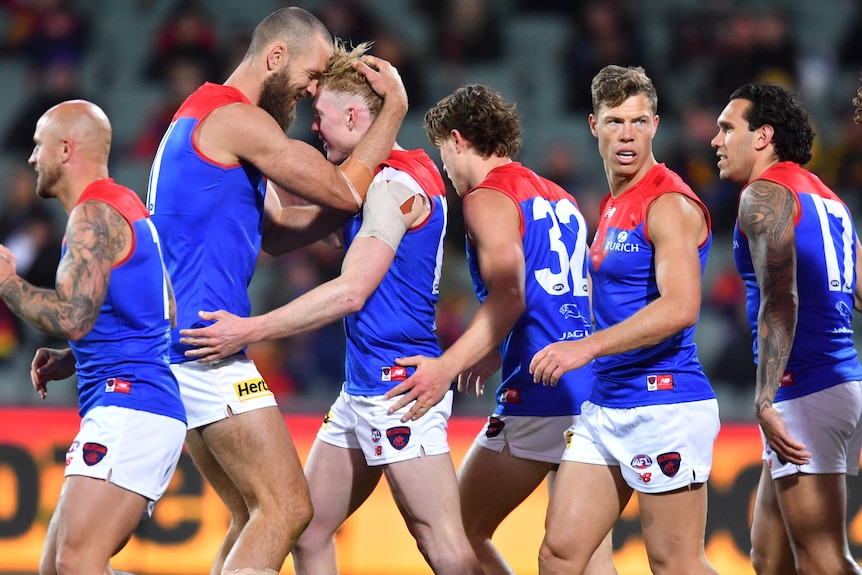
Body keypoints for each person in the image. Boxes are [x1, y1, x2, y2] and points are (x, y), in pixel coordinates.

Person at [177, 40, 482, 575]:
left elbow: (350, 291)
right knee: (309, 527)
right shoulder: (373, 180)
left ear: (354, 114)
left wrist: (250, 327)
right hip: (360, 388)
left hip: (398, 386)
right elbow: (287, 230)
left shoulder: (391, 186)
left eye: (321, 116)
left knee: (443, 544)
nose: (313, 128)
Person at [144, 7, 408, 575]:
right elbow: (341, 189)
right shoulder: (237, 120)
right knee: (290, 509)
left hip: (182, 342)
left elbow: (278, 234)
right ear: (276, 57)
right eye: (312, 76)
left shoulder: (202, 118)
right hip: (206, 346)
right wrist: (394, 114)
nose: (313, 91)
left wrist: (341, 216)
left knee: (251, 513)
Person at [382, 84, 616, 574]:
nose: (445, 168)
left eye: (444, 154)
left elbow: (512, 295)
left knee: (457, 529)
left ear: (457, 140)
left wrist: (447, 366)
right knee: (588, 556)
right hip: (591, 381)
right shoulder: (560, 196)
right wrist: (492, 347)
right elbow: (569, 294)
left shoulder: (486, 198)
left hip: (540, 386)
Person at [529, 65, 720, 575]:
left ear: (656, 124)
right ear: (594, 126)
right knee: (560, 553)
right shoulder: (616, 203)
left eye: (638, 121)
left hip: (664, 401)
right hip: (608, 402)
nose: (628, 134)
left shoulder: (667, 202)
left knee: (674, 562)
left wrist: (585, 348)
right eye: (615, 121)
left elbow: (680, 307)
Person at [0, 100, 186, 574]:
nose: (30, 158)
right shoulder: (122, 206)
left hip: (131, 405)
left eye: (38, 146)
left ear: (65, 149)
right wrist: (78, 356)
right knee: (57, 569)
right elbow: (164, 311)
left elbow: (72, 315)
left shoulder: (92, 217)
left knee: (77, 565)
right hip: (133, 403)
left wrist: (6, 281)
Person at [711, 83, 862, 575]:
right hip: (836, 383)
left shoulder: (764, 194)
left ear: (763, 136)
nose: (716, 140)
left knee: (822, 559)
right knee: (769, 556)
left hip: (805, 386)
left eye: (728, 128)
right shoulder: (831, 200)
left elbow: (781, 299)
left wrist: (765, 397)